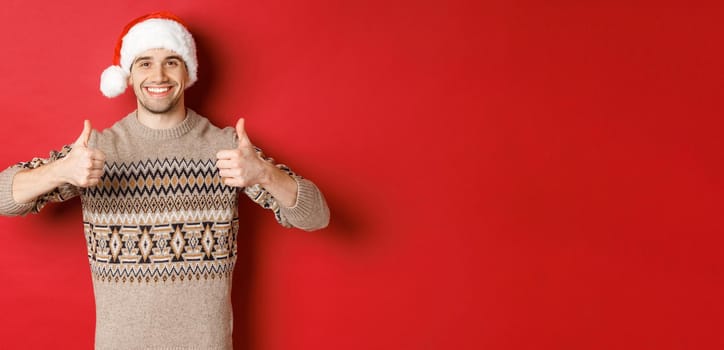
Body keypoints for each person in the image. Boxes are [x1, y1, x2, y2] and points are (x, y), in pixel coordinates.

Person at [0, 11, 329, 350]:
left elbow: (316, 216)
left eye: (171, 62)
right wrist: (58, 171)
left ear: (188, 71)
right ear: (128, 74)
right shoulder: (96, 150)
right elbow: (3, 196)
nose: (158, 75)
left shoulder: (227, 148)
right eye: (144, 63)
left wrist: (264, 173)